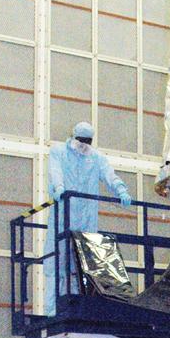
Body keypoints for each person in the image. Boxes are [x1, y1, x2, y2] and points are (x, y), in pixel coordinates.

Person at [44, 122, 132, 313]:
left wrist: (120, 190)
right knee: (57, 262)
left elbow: (109, 175)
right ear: (74, 136)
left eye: (87, 141)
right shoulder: (59, 152)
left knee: (82, 262)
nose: (84, 145)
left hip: (86, 217)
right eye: (81, 140)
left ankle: (76, 305)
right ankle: (52, 307)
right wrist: (59, 187)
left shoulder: (96, 158)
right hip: (63, 214)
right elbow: (55, 171)